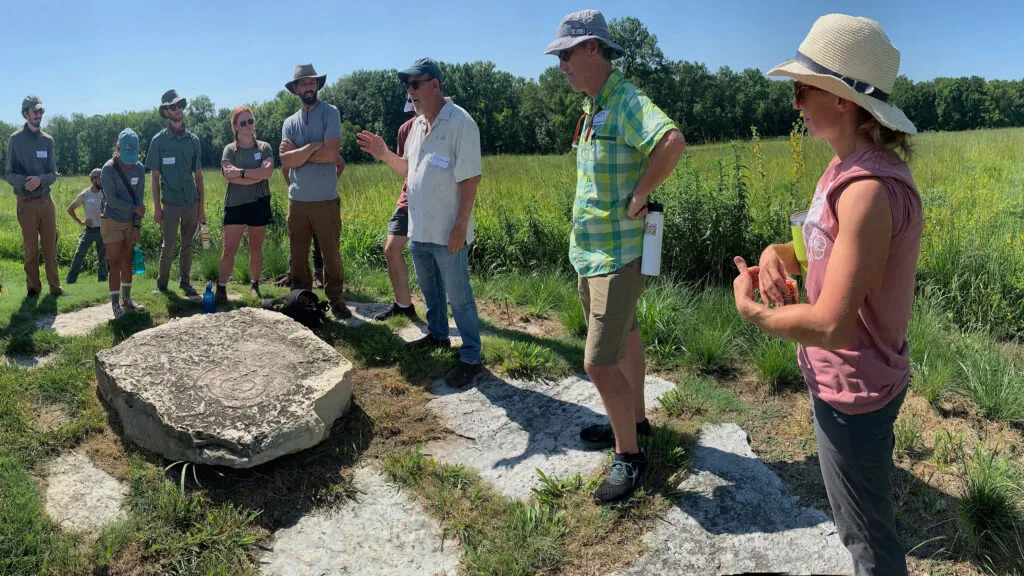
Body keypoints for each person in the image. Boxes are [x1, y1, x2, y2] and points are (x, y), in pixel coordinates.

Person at [732, 14, 920, 576]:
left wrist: (755, 315)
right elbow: (816, 249)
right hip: (843, 380)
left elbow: (835, 324)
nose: (795, 101)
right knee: (856, 520)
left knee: (866, 539)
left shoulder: (866, 189)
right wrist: (775, 254)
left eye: (803, 87)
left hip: (855, 387)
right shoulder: (844, 169)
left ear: (842, 99)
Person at [544, 9, 685, 505]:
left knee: (598, 365)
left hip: (618, 256)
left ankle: (629, 458)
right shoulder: (593, 107)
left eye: (566, 54)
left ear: (594, 50)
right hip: (591, 252)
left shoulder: (625, 101)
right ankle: (635, 422)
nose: (561, 64)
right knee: (625, 338)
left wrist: (641, 194)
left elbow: (671, 141)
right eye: (558, 56)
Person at [356, 58, 484, 387]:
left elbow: (471, 179)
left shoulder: (460, 123)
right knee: (430, 291)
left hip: (448, 231)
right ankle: (438, 336)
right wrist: (384, 154)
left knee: (459, 296)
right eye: (407, 86)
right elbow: (409, 172)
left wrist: (460, 226)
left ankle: (471, 355)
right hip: (420, 228)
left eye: (415, 84)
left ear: (434, 85)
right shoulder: (416, 127)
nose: (410, 91)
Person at [279, 63, 350, 318]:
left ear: (317, 85)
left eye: (312, 82)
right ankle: (301, 300)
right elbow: (286, 162)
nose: (308, 87)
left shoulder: (330, 113)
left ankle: (337, 299)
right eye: (303, 83)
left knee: (331, 254)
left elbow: (331, 153)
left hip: (326, 200)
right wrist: (312, 147)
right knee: (298, 256)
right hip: (297, 201)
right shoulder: (289, 123)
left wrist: (299, 153)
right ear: (296, 89)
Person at [146, 89, 205, 296]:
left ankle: (185, 283)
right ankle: (161, 285)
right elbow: (154, 178)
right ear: (166, 112)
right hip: (169, 203)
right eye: (173, 107)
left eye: (179, 105)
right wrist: (156, 208)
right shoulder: (158, 141)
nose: (177, 109)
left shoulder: (193, 140)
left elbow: (198, 175)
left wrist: (201, 208)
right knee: (168, 246)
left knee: (187, 246)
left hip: (191, 202)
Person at [4, 94, 64, 296]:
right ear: (25, 114)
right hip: (26, 203)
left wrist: (40, 180)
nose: (39, 115)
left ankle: (56, 289)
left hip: (46, 201)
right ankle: (33, 289)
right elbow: (9, 173)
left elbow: (53, 173)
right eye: (35, 111)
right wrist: (25, 183)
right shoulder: (15, 140)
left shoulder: (47, 140)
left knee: (50, 248)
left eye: (41, 111)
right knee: (31, 250)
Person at [217, 106, 275, 302]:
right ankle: (221, 288)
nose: (248, 125)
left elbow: (267, 173)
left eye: (250, 121)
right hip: (235, 204)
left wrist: (240, 173)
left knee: (256, 247)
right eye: (243, 122)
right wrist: (252, 175)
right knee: (229, 249)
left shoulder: (264, 148)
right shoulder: (229, 150)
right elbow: (228, 175)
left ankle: (254, 284)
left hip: (258, 203)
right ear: (235, 127)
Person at [373, 96, 419, 322]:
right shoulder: (405, 130)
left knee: (435, 257)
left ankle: (443, 313)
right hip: (408, 199)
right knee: (391, 249)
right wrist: (384, 155)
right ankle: (403, 305)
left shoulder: (447, 122)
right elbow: (405, 169)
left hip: (433, 202)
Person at [100, 129, 147, 318]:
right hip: (111, 221)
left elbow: (140, 199)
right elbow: (111, 200)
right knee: (115, 263)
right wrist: (134, 209)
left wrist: (137, 225)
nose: (129, 161)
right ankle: (114, 304)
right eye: (125, 155)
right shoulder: (108, 169)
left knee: (128, 260)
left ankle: (126, 300)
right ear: (117, 149)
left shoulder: (140, 168)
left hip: (130, 223)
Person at [280, 153, 344, 288]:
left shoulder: (325, 149)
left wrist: (329, 185)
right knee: (298, 243)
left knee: (323, 243)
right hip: (300, 202)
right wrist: (294, 188)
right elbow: (285, 168)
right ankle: (295, 276)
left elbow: (341, 164)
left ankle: (319, 273)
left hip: (324, 202)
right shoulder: (295, 150)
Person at [65, 168, 108, 284]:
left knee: (103, 259)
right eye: (100, 179)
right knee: (79, 255)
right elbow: (70, 209)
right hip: (89, 231)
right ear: (93, 180)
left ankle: (103, 282)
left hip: (103, 230)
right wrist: (81, 221)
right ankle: (70, 282)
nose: (102, 181)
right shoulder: (85, 195)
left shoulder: (106, 193)